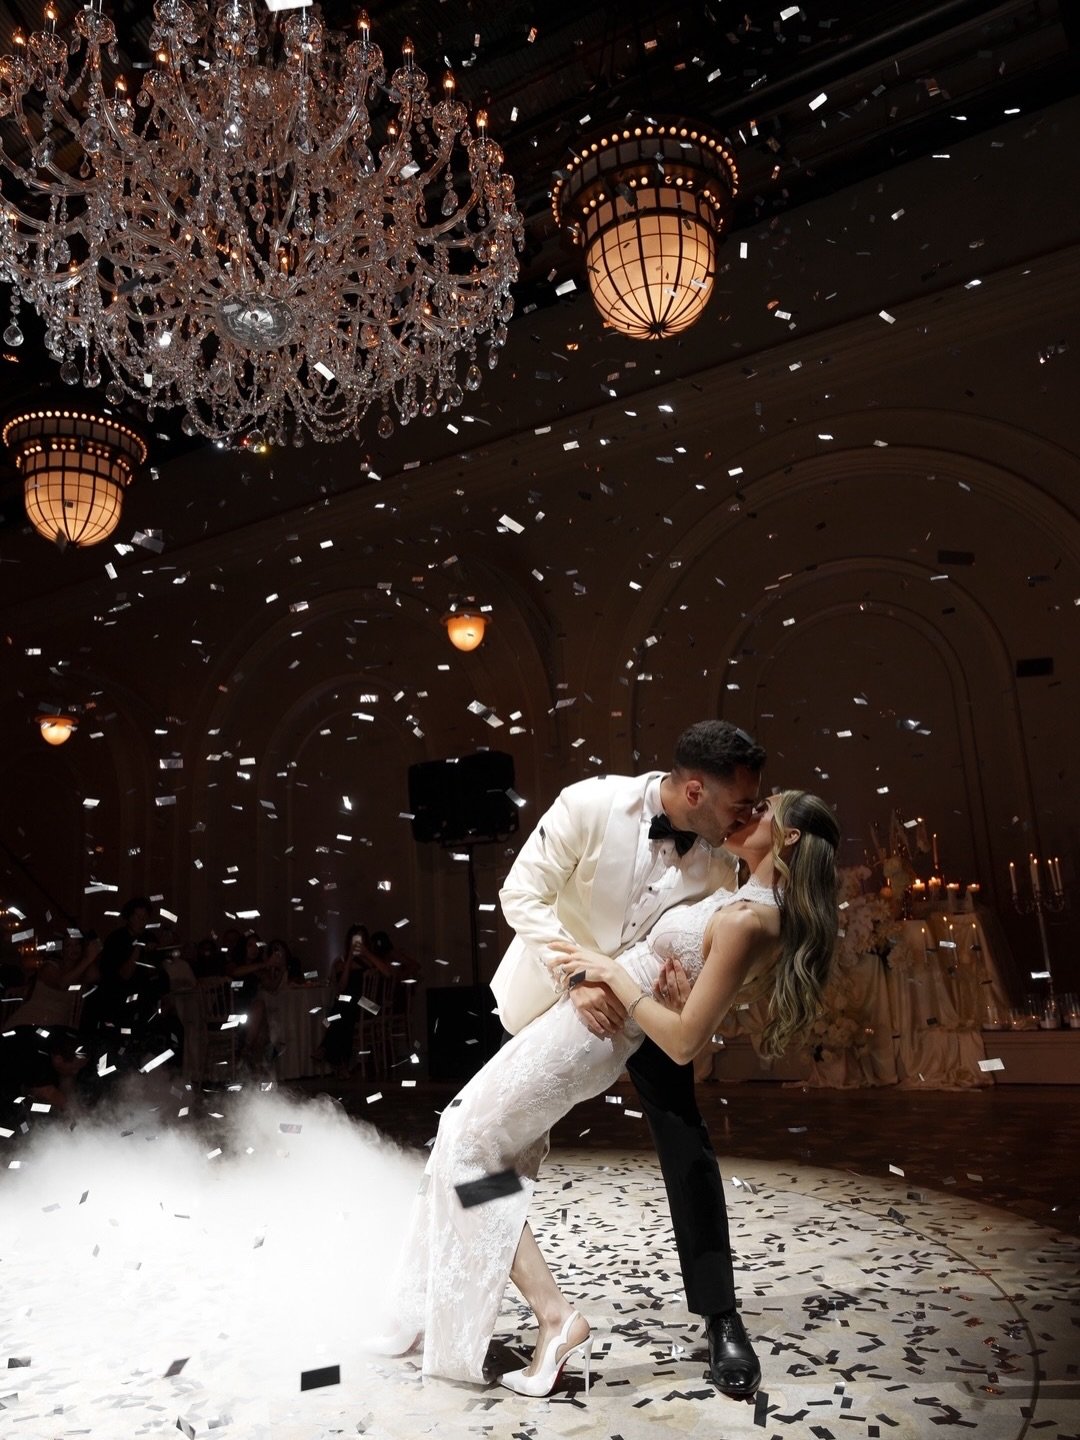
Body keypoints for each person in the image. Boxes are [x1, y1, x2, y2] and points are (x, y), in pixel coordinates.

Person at [378, 789, 839, 1393]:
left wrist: (619, 975)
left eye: (761, 809)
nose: (747, 812)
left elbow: (692, 1028)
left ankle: (560, 1318)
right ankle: (424, 1304)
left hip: (610, 1019)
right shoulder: (731, 881)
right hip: (589, 1010)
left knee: (468, 1145)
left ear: (791, 838)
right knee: (474, 1150)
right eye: (745, 801)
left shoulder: (751, 914)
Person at [489, 719, 765, 1393]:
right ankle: (474, 1299)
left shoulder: (721, 857)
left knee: (687, 1145)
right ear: (695, 790)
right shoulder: (589, 803)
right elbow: (520, 895)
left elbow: (706, 945)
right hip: (548, 1003)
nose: (751, 815)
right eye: (741, 803)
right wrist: (577, 976)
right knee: (493, 1154)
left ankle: (721, 1316)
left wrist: (679, 983)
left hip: (641, 1014)